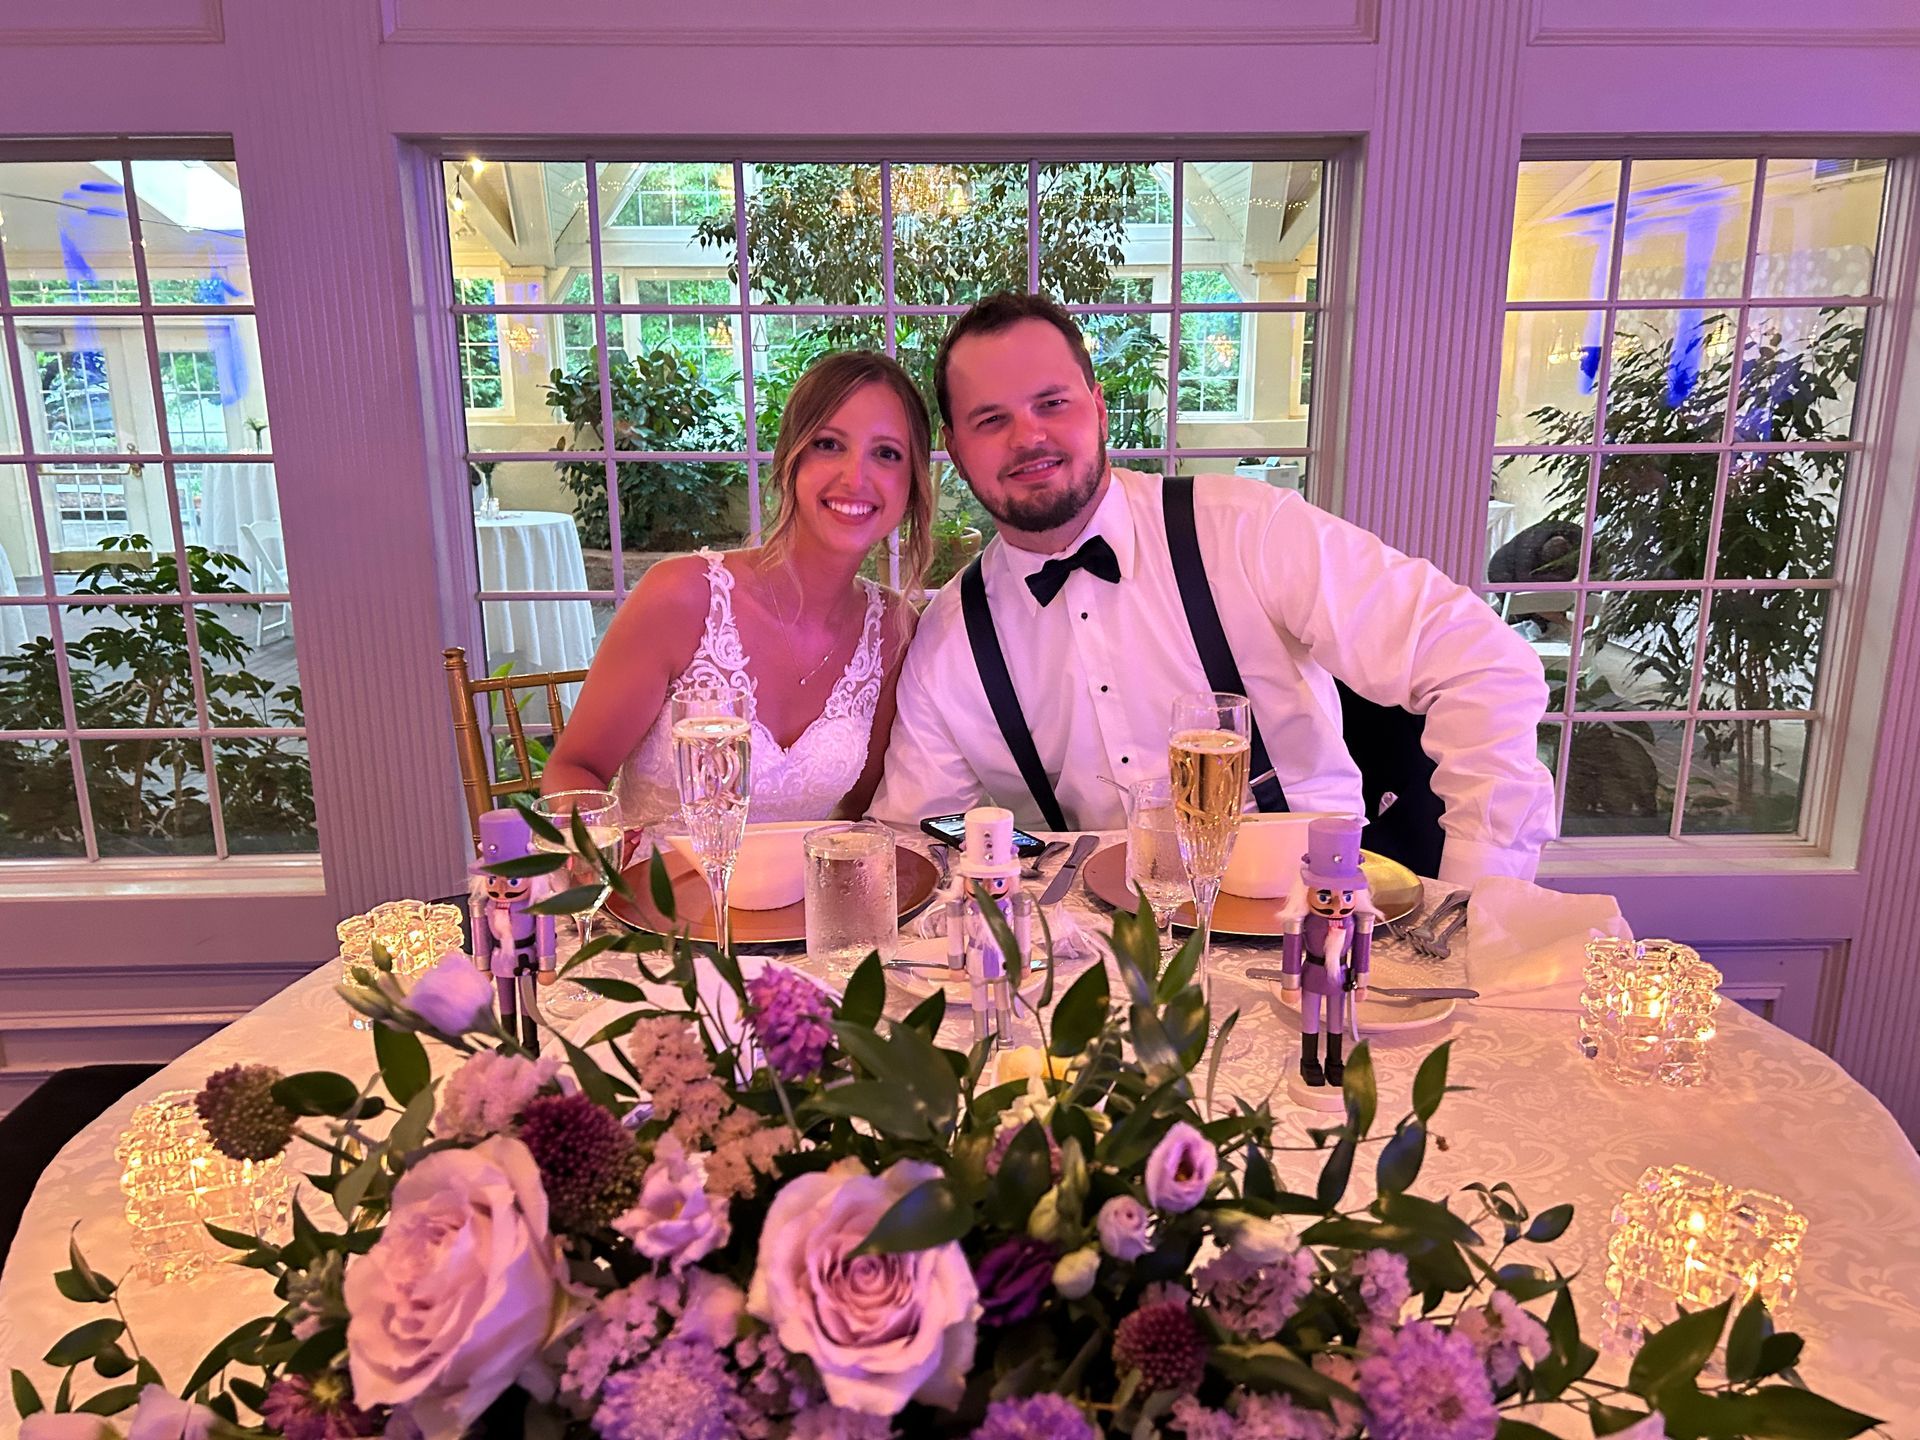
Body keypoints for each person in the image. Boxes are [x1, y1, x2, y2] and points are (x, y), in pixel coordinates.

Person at [869, 292, 1555, 884]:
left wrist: (1480, 897)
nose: (1030, 436)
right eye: (992, 420)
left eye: (1052, 403)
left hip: (1312, 921)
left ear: (1100, 410)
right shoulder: (951, 639)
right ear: (955, 450)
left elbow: (1482, 662)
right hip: (1110, 969)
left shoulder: (1245, 531)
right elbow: (911, 842)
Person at [543, 350, 931, 839]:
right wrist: (602, 867)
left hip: (795, 911)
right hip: (654, 907)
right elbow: (574, 771)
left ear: (912, 484)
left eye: (887, 453)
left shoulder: (893, 631)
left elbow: (862, 815)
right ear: (789, 460)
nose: (856, 477)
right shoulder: (682, 598)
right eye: (829, 444)